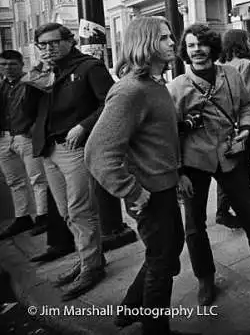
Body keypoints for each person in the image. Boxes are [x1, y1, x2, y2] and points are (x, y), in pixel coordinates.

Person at [168, 24, 250, 306]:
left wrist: (246, 127)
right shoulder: (177, 87)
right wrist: (179, 172)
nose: (197, 50)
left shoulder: (230, 74)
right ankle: (205, 280)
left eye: (202, 44)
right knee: (194, 225)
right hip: (194, 161)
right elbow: (169, 134)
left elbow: (246, 104)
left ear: (213, 47)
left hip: (230, 156)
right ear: (186, 51)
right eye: (192, 45)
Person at [85, 17, 184, 334]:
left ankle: (129, 308)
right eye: (165, 37)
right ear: (146, 43)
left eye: (171, 36)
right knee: (161, 262)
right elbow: (98, 153)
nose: (173, 42)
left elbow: (159, 140)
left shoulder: (155, 85)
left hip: (164, 188)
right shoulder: (129, 91)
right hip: (149, 195)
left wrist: (177, 174)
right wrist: (132, 192)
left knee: (168, 252)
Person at [27, 23, 108, 301]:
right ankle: (90, 257)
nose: (48, 49)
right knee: (65, 211)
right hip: (49, 149)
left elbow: (110, 103)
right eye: (42, 45)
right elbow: (28, 111)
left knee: (80, 210)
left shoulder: (89, 67)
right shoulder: (46, 73)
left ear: (69, 41)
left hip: (75, 148)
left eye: (53, 42)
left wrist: (84, 126)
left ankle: (91, 266)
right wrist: (35, 79)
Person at [215, 29, 250, 229]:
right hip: (243, 125)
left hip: (224, 126)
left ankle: (237, 206)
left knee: (228, 167)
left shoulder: (219, 66)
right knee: (243, 168)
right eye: (248, 39)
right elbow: (244, 95)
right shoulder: (246, 64)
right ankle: (234, 208)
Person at [0, 50, 48, 239]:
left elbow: (43, 106)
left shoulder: (30, 84)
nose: (7, 68)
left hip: (25, 136)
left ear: (21, 64)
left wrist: (35, 127)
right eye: (3, 64)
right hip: (5, 137)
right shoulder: (2, 86)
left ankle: (43, 216)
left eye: (12, 64)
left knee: (37, 178)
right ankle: (22, 216)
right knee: (14, 181)